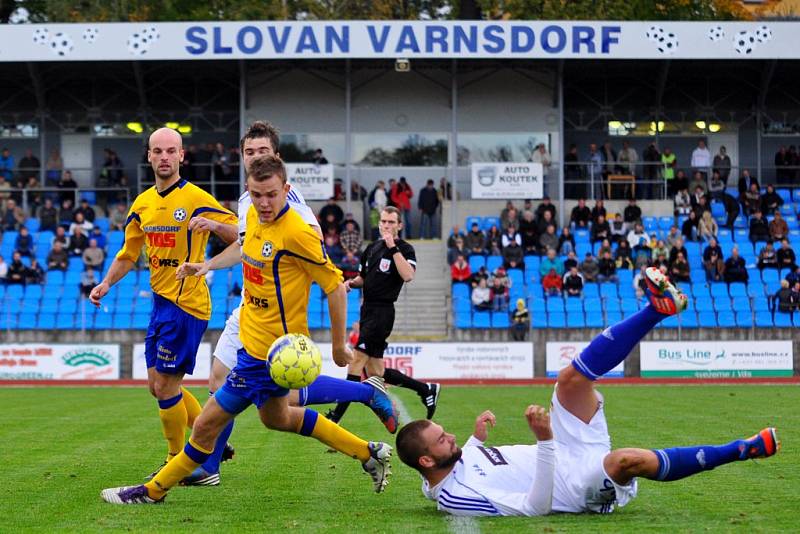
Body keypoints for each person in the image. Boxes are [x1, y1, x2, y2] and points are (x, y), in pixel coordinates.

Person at [102, 155, 394, 505]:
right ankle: (368, 452)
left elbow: (333, 286)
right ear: (248, 192)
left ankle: (152, 492)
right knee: (278, 418)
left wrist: (336, 347)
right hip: (250, 344)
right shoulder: (254, 217)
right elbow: (242, 248)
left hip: (267, 355)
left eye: (271, 194)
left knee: (205, 426)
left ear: (286, 189)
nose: (264, 202)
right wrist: (205, 265)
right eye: (257, 195)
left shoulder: (297, 233)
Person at [396, 270, 778, 517]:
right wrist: (545, 441)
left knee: (569, 382)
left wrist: (475, 438)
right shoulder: (455, 498)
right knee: (625, 461)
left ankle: (657, 310)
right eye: (442, 439)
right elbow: (533, 509)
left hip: (567, 446)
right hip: (576, 486)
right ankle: (742, 449)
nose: (449, 436)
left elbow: (465, 463)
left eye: (443, 431)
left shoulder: (442, 467)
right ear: (428, 462)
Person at [179, 121, 397, 486]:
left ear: (276, 158)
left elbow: (315, 263)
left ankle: (204, 466)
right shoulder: (251, 198)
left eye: (262, 152)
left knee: (275, 402)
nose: (254, 158)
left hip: (275, 315)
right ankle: (210, 466)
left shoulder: (293, 210)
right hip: (251, 306)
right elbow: (248, 244)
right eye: (249, 152)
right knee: (264, 407)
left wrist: (333, 338)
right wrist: (207, 264)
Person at [90, 128, 238, 482]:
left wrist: (215, 224)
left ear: (182, 156)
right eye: (158, 151)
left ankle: (177, 459)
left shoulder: (196, 197)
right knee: (156, 385)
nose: (165, 157)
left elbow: (243, 234)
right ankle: (211, 437)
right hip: (160, 302)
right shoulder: (142, 204)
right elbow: (128, 254)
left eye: (171, 151)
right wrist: (107, 282)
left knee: (167, 388)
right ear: (149, 156)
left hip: (186, 302)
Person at [327, 205, 440, 424]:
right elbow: (363, 278)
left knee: (357, 361)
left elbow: (408, 275)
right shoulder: (371, 248)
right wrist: (351, 283)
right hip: (367, 309)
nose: (386, 226)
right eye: (384, 221)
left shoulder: (405, 249)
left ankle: (336, 417)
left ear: (399, 225)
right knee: (375, 372)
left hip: (382, 311)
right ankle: (425, 389)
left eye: (391, 222)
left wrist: (393, 248)